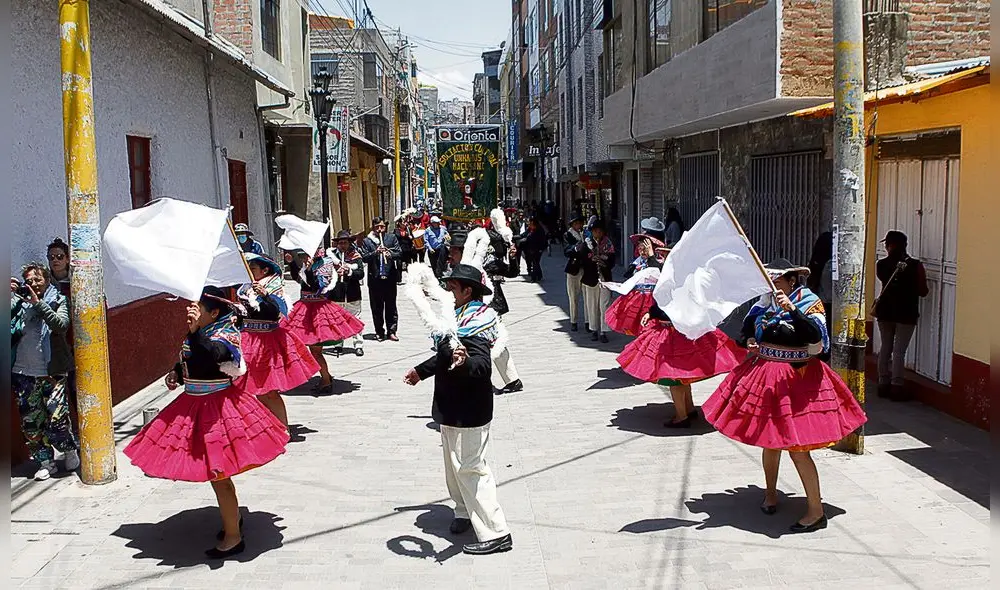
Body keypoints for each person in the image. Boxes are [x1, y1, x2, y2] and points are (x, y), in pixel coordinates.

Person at [701, 259, 867, 532]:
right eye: (769, 280)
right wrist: (750, 340)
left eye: (777, 281)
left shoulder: (809, 302)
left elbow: (816, 340)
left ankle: (816, 511)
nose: (772, 286)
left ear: (792, 282)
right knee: (771, 441)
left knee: (798, 450)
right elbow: (745, 333)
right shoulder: (764, 303)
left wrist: (793, 311)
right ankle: (770, 492)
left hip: (798, 380)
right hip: (766, 376)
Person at [124, 287, 289, 558]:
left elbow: (213, 354)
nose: (191, 310)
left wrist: (193, 333)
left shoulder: (224, 335)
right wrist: (177, 372)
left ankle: (234, 536)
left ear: (213, 313)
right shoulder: (199, 333)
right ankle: (232, 519)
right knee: (217, 476)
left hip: (217, 410)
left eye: (197, 306)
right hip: (193, 404)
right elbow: (192, 356)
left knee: (219, 475)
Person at [403, 264, 513, 555]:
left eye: (452, 287)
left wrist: (464, 362)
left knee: (472, 468)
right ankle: (464, 511)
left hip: (470, 409)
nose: (448, 292)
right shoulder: (457, 318)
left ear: (468, 291)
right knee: (454, 467)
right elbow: (445, 354)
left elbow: (482, 366)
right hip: (451, 405)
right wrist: (421, 371)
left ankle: (497, 532)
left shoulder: (477, 322)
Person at [233, 253, 319, 427]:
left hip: (266, 344)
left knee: (268, 390)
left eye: (253, 268)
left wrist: (265, 296)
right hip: (248, 340)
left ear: (265, 270)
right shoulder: (246, 288)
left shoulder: (273, 287)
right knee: (252, 387)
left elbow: (274, 313)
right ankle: (267, 425)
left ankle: (284, 427)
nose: (250, 271)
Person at [10, 263, 79, 481]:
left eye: (37, 280)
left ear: (46, 279)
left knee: (57, 417)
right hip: (23, 373)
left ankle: (68, 449)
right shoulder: (18, 303)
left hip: (53, 371)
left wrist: (38, 304)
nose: (33, 284)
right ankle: (44, 461)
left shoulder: (58, 299)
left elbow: (61, 325)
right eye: (29, 281)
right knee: (31, 422)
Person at [284, 248, 365, 392]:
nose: (303, 257)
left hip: (317, 311)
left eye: (304, 255)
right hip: (305, 307)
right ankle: (323, 376)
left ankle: (326, 380)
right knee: (310, 348)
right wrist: (292, 264)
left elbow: (317, 286)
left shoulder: (324, 265)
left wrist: (309, 270)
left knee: (315, 350)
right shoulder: (306, 265)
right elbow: (299, 279)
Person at [873, 230, 929, 401]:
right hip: (907, 313)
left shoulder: (881, 265)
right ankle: (897, 387)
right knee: (899, 352)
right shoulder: (915, 265)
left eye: (886, 243)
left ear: (891, 245)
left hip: (885, 312)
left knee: (885, 347)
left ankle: (883, 384)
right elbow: (923, 291)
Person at [605, 239, 664, 337]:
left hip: (652, 299)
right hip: (638, 298)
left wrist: (651, 257)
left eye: (645, 248)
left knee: (650, 326)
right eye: (640, 248)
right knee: (637, 324)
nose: (642, 251)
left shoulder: (659, 262)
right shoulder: (637, 263)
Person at [360, 217, 403, 341]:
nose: (380, 229)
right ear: (373, 228)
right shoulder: (367, 241)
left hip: (390, 278)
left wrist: (390, 254)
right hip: (375, 278)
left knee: (391, 306)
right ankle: (379, 331)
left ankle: (392, 331)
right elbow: (364, 257)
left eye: (382, 226)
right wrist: (375, 253)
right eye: (377, 227)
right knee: (376, 307)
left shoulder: (391, 238)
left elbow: (399, 253)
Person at [328, 230, 367, 356]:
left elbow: (361, 273)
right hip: (336, 294)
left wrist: (349, 272)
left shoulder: (355, 256)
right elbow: (326, 273)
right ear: (337, 244)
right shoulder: (331, 257)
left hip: (352, 294)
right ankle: (338, 344)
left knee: (355, 319)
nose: (343, 245)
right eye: (341, 243)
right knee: (336, 320)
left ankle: (358, 345)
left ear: (349, 243)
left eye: (345, 243)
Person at [581, 220, 615, 343]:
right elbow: (582, 259)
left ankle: (603, 331)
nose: (598, 232)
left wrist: (603, 262)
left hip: (604, 278)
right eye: (595, 230)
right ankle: (594, 329)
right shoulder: (586, 244)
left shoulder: (608, 244)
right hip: (591, 278)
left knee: (604, 305)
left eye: (600, 230)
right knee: (592, 304)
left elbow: (612, 262)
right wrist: (591, 260)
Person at [563, 214, 587, 331]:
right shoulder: (568, 235)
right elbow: (566, 251)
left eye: (580, 223)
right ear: (572, 224)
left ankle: (588, 322)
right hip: (573, 269)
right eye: (576, 223)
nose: (579, 225)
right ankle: (574, 321)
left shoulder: (585, 233)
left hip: (586, 269)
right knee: (573, 296)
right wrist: (576, 248)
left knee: (587, 297)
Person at [518, 218, 547, 282]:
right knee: (536, 263)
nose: (529, 225)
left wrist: (540, 249)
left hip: (538, 249)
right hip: (531, 249)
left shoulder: (539, 230)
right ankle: (539, 276)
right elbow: (524, 235)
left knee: (535, 263)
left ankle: (534, 278)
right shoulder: (530, 229)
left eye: (531, 223)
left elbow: (542, 241)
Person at [394, 216, 414, 282]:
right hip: (400, 250)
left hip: (408, 249)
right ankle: (399, 279)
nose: (405, 224)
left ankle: (410, 279)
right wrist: (406, 235)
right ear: (399, 223)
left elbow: (412, 237)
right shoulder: (396, 230)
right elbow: (397, 237)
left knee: (409, 265)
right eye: (403, 222)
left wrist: (411, 237)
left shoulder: (409, 229)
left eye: (405, 222)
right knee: (399, 265)